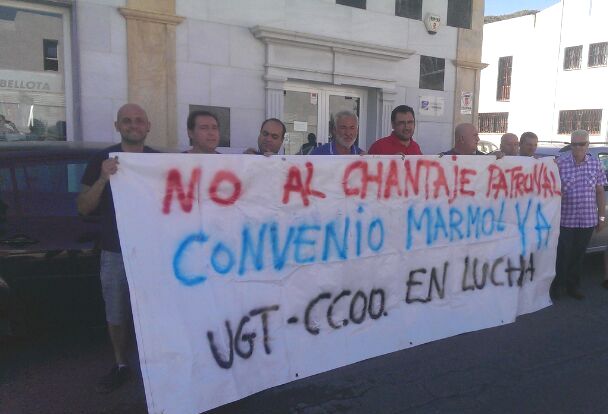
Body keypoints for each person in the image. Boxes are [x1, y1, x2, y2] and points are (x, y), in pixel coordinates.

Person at [77, 103, 158, 393]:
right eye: (127, 121)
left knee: (158, 310)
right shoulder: (102, 159)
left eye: (139, 120)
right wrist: (103, 178)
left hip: (155, 252)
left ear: (148, 126)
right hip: (116, 251)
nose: (133, 125)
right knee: (116, 310)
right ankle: (121, 363)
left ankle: (158, 363)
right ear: (117, 125)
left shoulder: (160, 161)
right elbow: (84, 207)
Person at [553, 130, 607, 300]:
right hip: (565, 219)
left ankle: (573, 286)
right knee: (562, 254)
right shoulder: (559, 163)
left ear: (588, 145)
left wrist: (602, 218)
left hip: (587, 220)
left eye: (581, 144)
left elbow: (599, 192)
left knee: (578, 255)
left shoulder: (595, 164)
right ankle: (557, 287)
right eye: (574, 144)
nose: (577, 147)